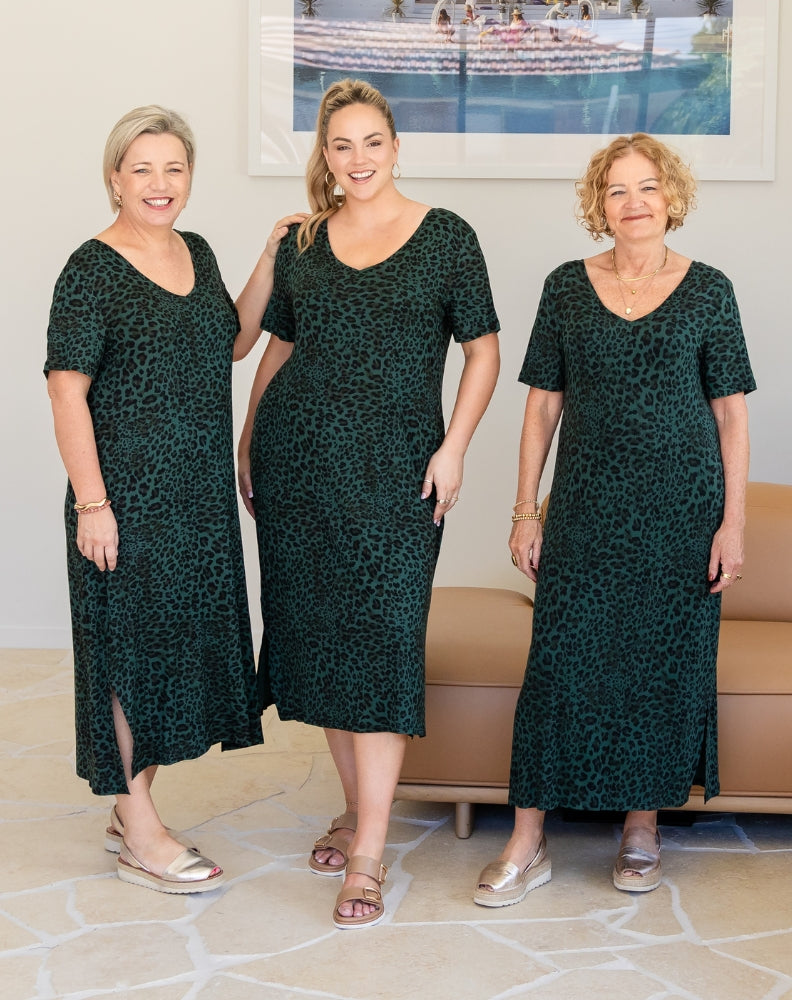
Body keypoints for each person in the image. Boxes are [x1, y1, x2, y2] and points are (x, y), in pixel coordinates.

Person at [237, 79, 500, 929]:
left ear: (396, 146)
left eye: (372, 142)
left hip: (397, 473)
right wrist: (248, 440)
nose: (357, 159)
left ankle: (368, 852)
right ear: (325, 154)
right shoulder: (304, 241)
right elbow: (276, 346)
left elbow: (484, 353)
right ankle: (358, 811)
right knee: (318, 639)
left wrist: (453, 447)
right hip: (297, 465)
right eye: (341, 145)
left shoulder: (446, 237)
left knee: (381, 645)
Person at [474, 133, 755, 907]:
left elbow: (731, 416)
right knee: (558, 666)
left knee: (662, 669)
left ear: (673, 197)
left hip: (681, 513)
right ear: (599, 204)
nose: (634, 203)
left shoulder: (710, 290)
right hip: (587, 511)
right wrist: (526, 508)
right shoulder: (567, 286)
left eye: (648, 188)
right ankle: (527, 839)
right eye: (617, 190)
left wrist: (733, 524)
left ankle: (642, 825)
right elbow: (541, 405)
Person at [45, 106, 265, 894]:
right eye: (142, 169)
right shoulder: (91, 267)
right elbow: (65, 389)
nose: (160, 184)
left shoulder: (196, 253)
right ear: (114, 178)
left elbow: (230, 339)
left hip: (197, 499)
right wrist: (91, 503)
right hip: (125, 499)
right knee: (127, 655)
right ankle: (140, 829)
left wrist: (272, 255)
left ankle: (131, 808)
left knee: (172, 653)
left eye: (174, 168)